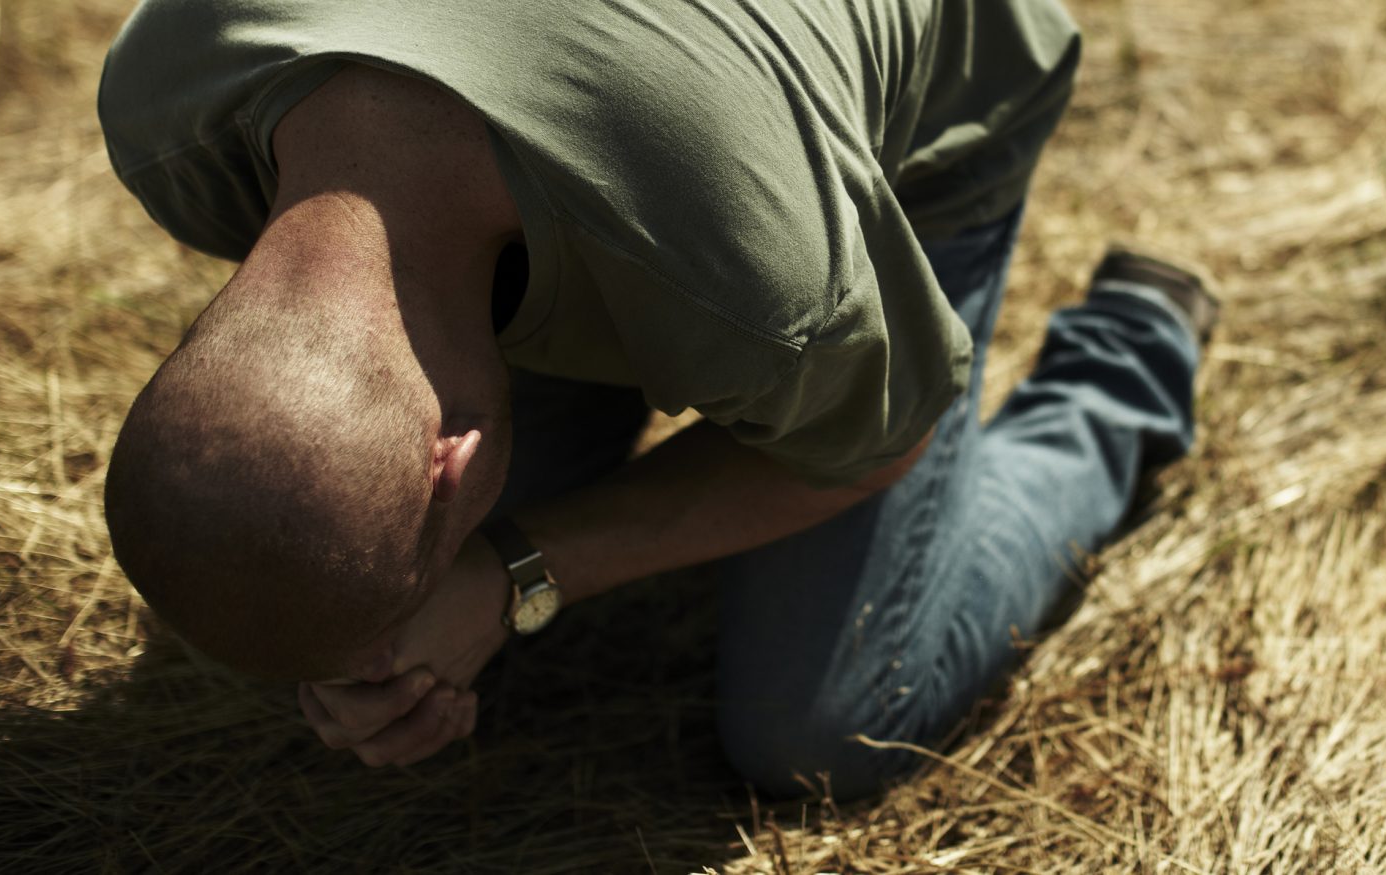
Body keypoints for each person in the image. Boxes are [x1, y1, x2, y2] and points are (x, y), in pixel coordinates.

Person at [96, 0, 1217, 800]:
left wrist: (512, 574)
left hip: (930, 95)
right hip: (662, 147)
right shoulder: (167, 101)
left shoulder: (769, 287)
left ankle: (1128, 356)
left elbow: (877, 441)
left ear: (453, 452)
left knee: (825, 723)